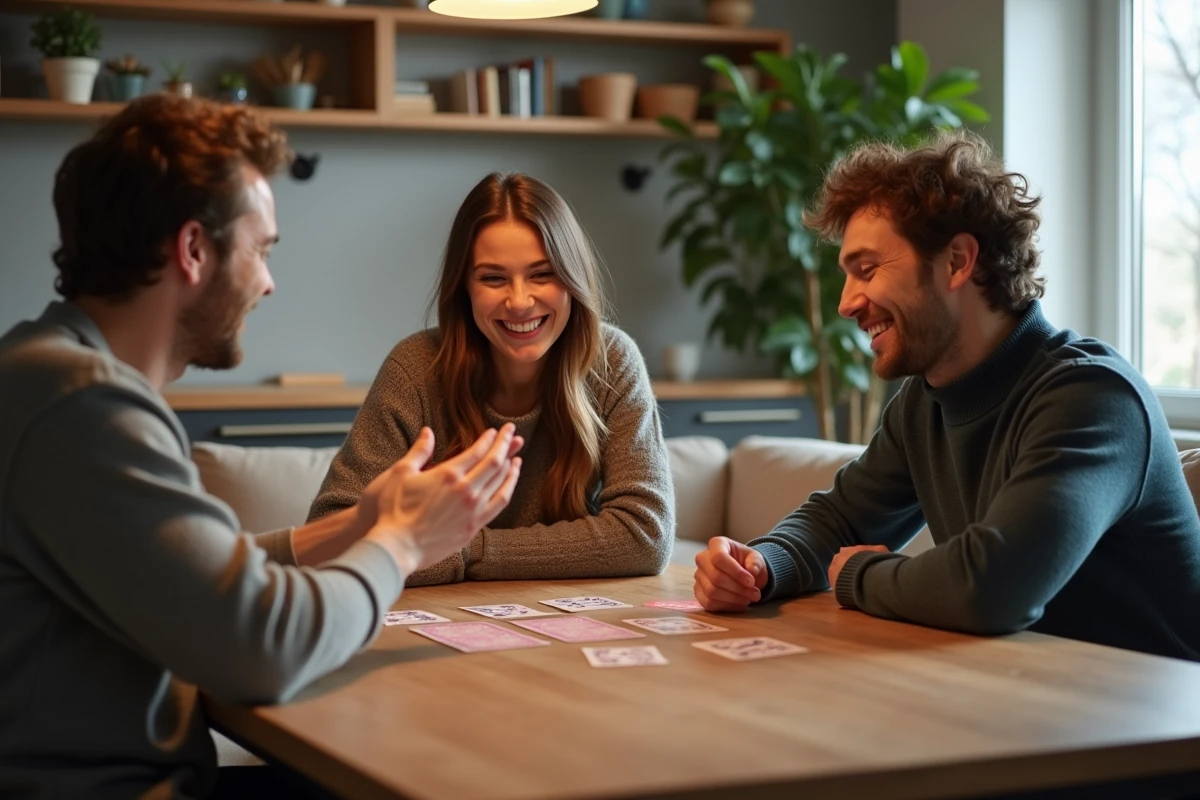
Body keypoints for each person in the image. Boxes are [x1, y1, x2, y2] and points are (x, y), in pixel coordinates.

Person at [0, 95, 524, 799]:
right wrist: (399, 545)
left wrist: (363, 524)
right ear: (192, 251)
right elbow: (262, 648)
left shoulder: (48, 374)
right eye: (262, 249)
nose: (269, 282)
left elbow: (204, 579)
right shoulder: (80, 404)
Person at [693, 132, 1200, 661]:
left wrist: (860, 574)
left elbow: (994, 588)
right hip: (1032, 698)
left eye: (867, 270)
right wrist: (760, 565)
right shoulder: (925, 399)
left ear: (958, 261)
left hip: (1156, 724)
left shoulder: (1093, 397)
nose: (846, 304)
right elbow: (841, 520)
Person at [308, 172, 674, 585]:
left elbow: (645, 535)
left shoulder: (612, 361)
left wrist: (462, 548)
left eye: (542, 274)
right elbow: (328, 538)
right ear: (463, 287)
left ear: (572, 280)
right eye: (493, 278)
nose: (519, 301)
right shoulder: (414, 368)